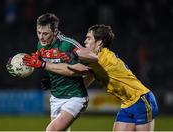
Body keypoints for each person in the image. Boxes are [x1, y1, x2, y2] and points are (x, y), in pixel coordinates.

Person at [23, 24, 159, 131]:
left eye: (89, 38)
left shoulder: (103, 58)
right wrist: (56, 83)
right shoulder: (95, 61)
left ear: (99, 42)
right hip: (127, 104)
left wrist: (49, 63)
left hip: (141, 99)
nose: (85, 41)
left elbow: (82, 65)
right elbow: (83, 78)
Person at [13, 13, 89, 131]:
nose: (41, 37)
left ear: (55, 31)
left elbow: (85, 69)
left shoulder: (67, 44)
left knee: (51, 130)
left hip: (74, 97)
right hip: (55, 97)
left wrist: (43, 65)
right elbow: (53, 66)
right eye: (39, 32)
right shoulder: (40, 45)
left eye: (45, 33)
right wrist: (51, 79)